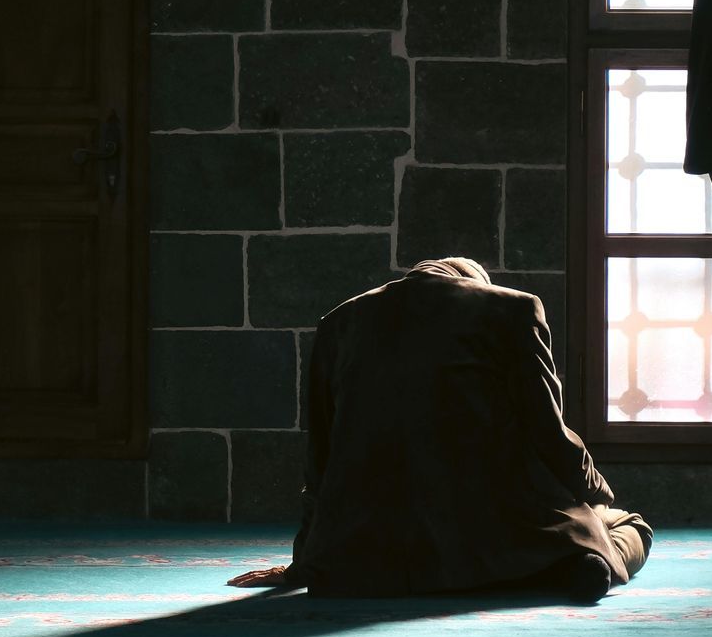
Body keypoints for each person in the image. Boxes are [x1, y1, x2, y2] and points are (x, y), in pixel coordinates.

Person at [227, 257, 651, 603]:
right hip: (487, 532)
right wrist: (595, 491)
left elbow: (319, 460)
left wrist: (306, 560)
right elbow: (549, 434)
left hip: (363, 551)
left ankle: (555, 562)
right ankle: (579, 564)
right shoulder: (513, 309)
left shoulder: (338, 322)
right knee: (627, 524)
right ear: (475, 281)